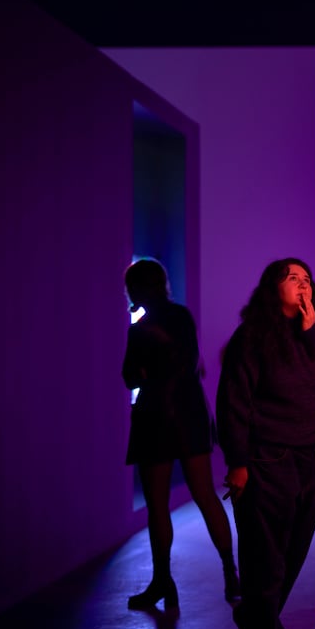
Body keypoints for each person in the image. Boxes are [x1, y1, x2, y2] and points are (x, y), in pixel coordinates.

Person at [216, 258, 315, 629]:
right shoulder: (253, 337)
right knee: (265, 558)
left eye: (306, 279)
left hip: (310, 458)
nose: (301, 284)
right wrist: (238, 463)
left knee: (292, 551)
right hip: (266, 460)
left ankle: (255, 623)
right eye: (291, 278)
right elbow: (232, 404)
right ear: (272, 288)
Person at [122, 258, 241, 611]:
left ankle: (162, 582)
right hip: (189, 414)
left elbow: (130, 377)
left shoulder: (138, 330)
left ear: (137, 289)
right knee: (205, 495)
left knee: (157, 506)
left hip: (154, 417)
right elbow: (190, 365)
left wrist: (146, 370)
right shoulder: (182, 317)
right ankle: (231, 574)